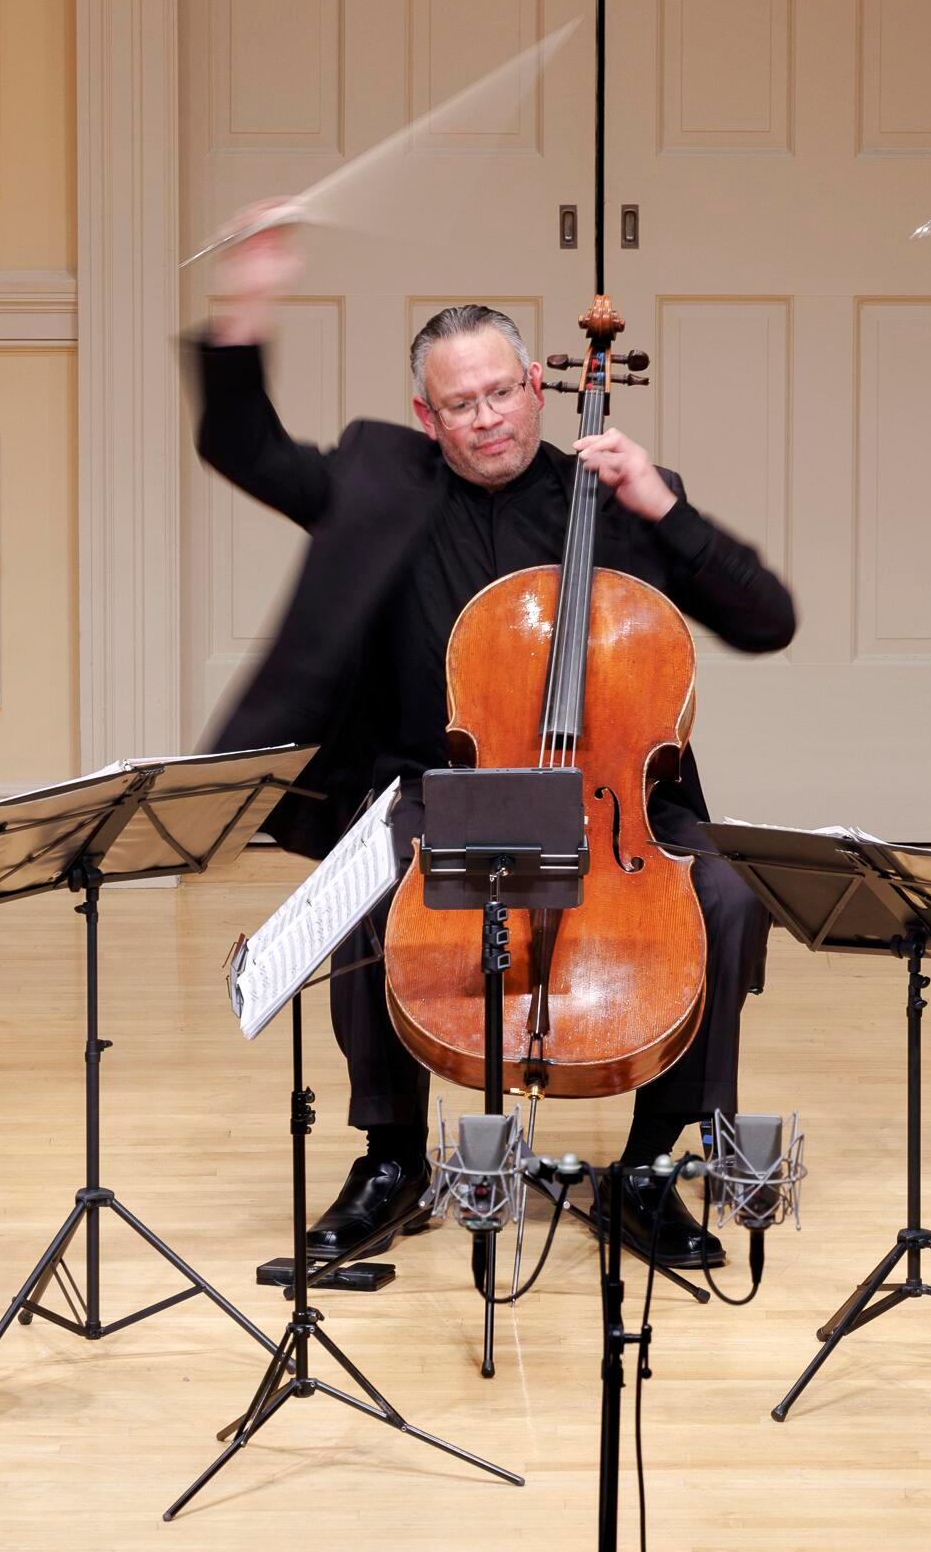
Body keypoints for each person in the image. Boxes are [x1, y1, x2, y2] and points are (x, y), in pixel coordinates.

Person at [190, 208, 797, 1270]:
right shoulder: (379, 484)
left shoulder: (609, 496)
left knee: (729, 899)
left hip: (617, 806)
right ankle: (392, 1158)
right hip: (439, 788)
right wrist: (248, 295)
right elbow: (239, 442)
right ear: (426, 416)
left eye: (503, 393)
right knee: (372, 875)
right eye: (459, 404)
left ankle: (651, 1167)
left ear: (538, 385)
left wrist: (663, 505)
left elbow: (767, 618)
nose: (486, 421)